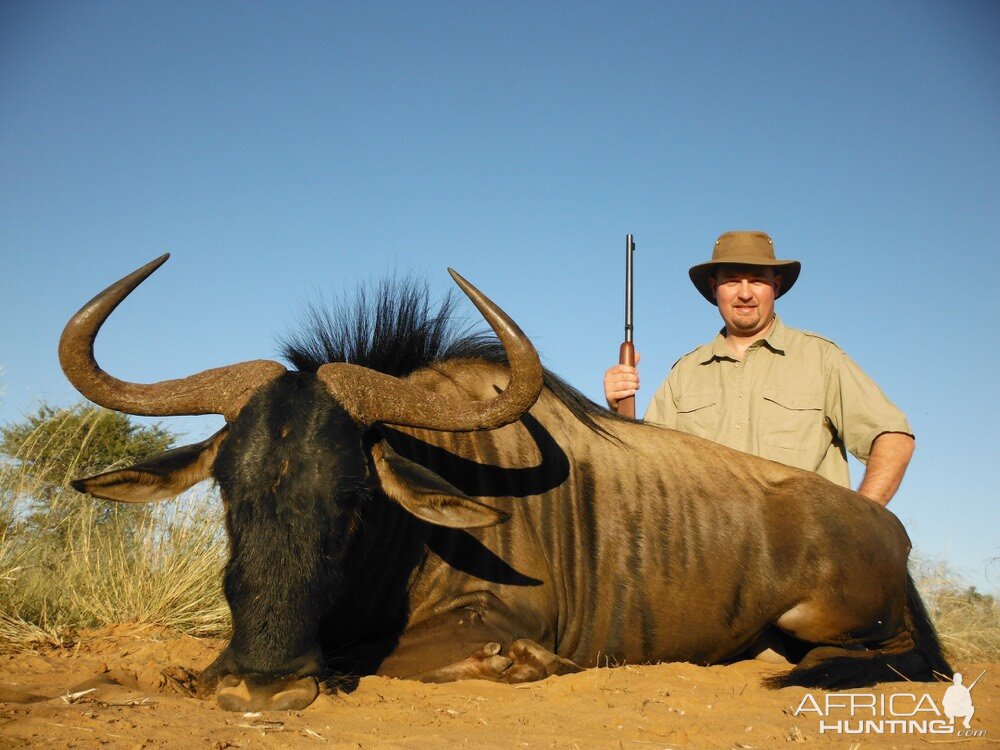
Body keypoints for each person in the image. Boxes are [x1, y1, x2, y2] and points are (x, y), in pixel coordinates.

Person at [604, 230, 914, 506]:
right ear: (714, 289)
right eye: (731, 280)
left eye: (756, 280)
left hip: (804, 563)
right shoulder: (684, 374)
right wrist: (617, 410)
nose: (744, 293)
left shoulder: (822, 359)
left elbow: (893, 438)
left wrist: (859, 523)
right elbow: (644, 469)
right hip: (711, 563)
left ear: (775, 287)